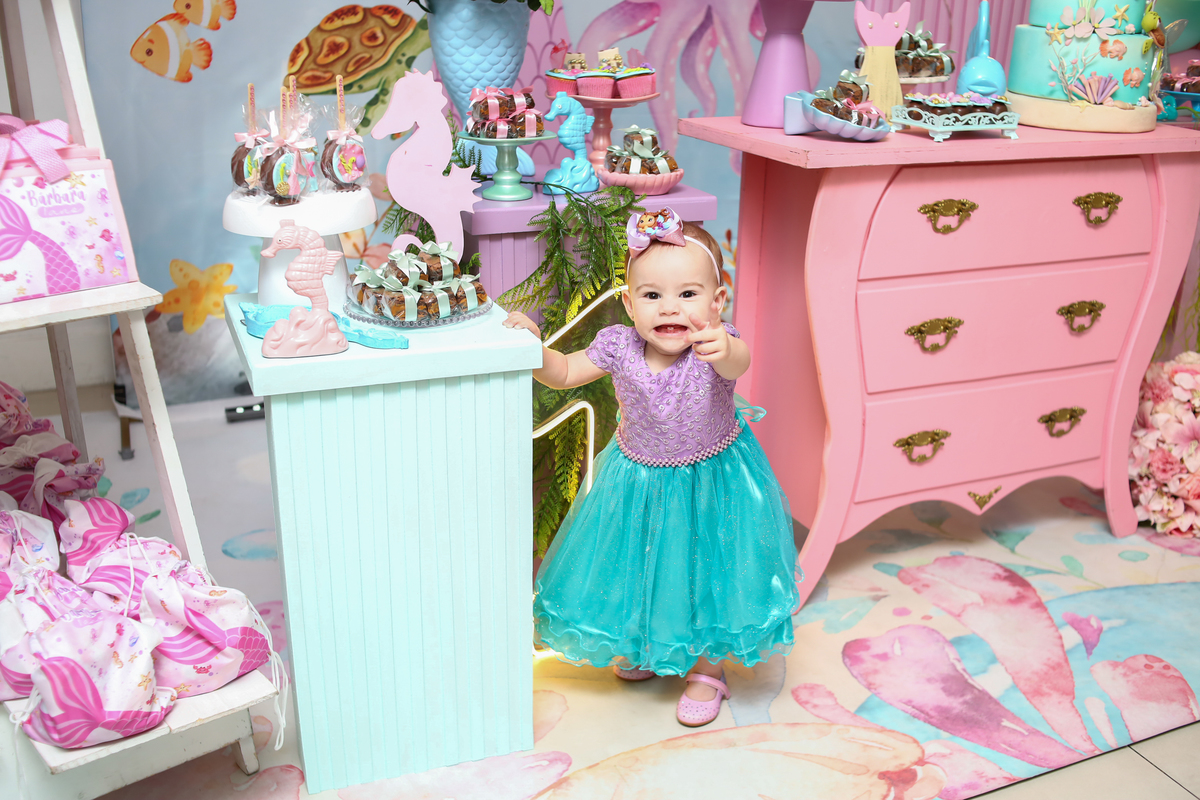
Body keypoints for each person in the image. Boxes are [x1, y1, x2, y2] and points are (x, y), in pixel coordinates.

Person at [504, 207, 800, 727]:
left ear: (717, 301)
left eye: (688, 294)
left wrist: (724, 347)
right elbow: (566, 372)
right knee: (642, 565)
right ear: (629, 303)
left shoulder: (715, 346)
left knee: (707, 571)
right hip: (637, 481)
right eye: (652, 295)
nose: (670, 308)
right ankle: (650, 644)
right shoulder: (619, 346)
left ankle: (707, 667)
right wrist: (533, 347)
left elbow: (739, 362)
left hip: (711, 483)